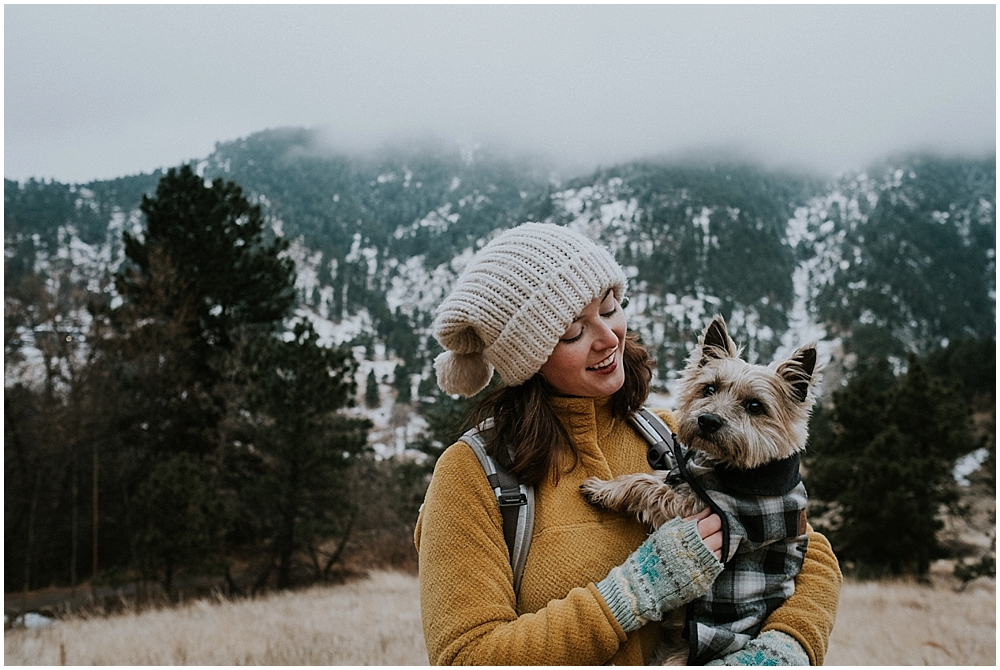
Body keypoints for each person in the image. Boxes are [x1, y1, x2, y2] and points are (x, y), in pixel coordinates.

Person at [414, 222, 841, 665]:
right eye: (573, 332)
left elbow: (811, 554)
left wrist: (783, 648)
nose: (608, 337)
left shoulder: (670, 433)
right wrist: (632, 592)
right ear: (528, 357)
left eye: (611, 307)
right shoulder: (471, 475)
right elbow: (467, 657)